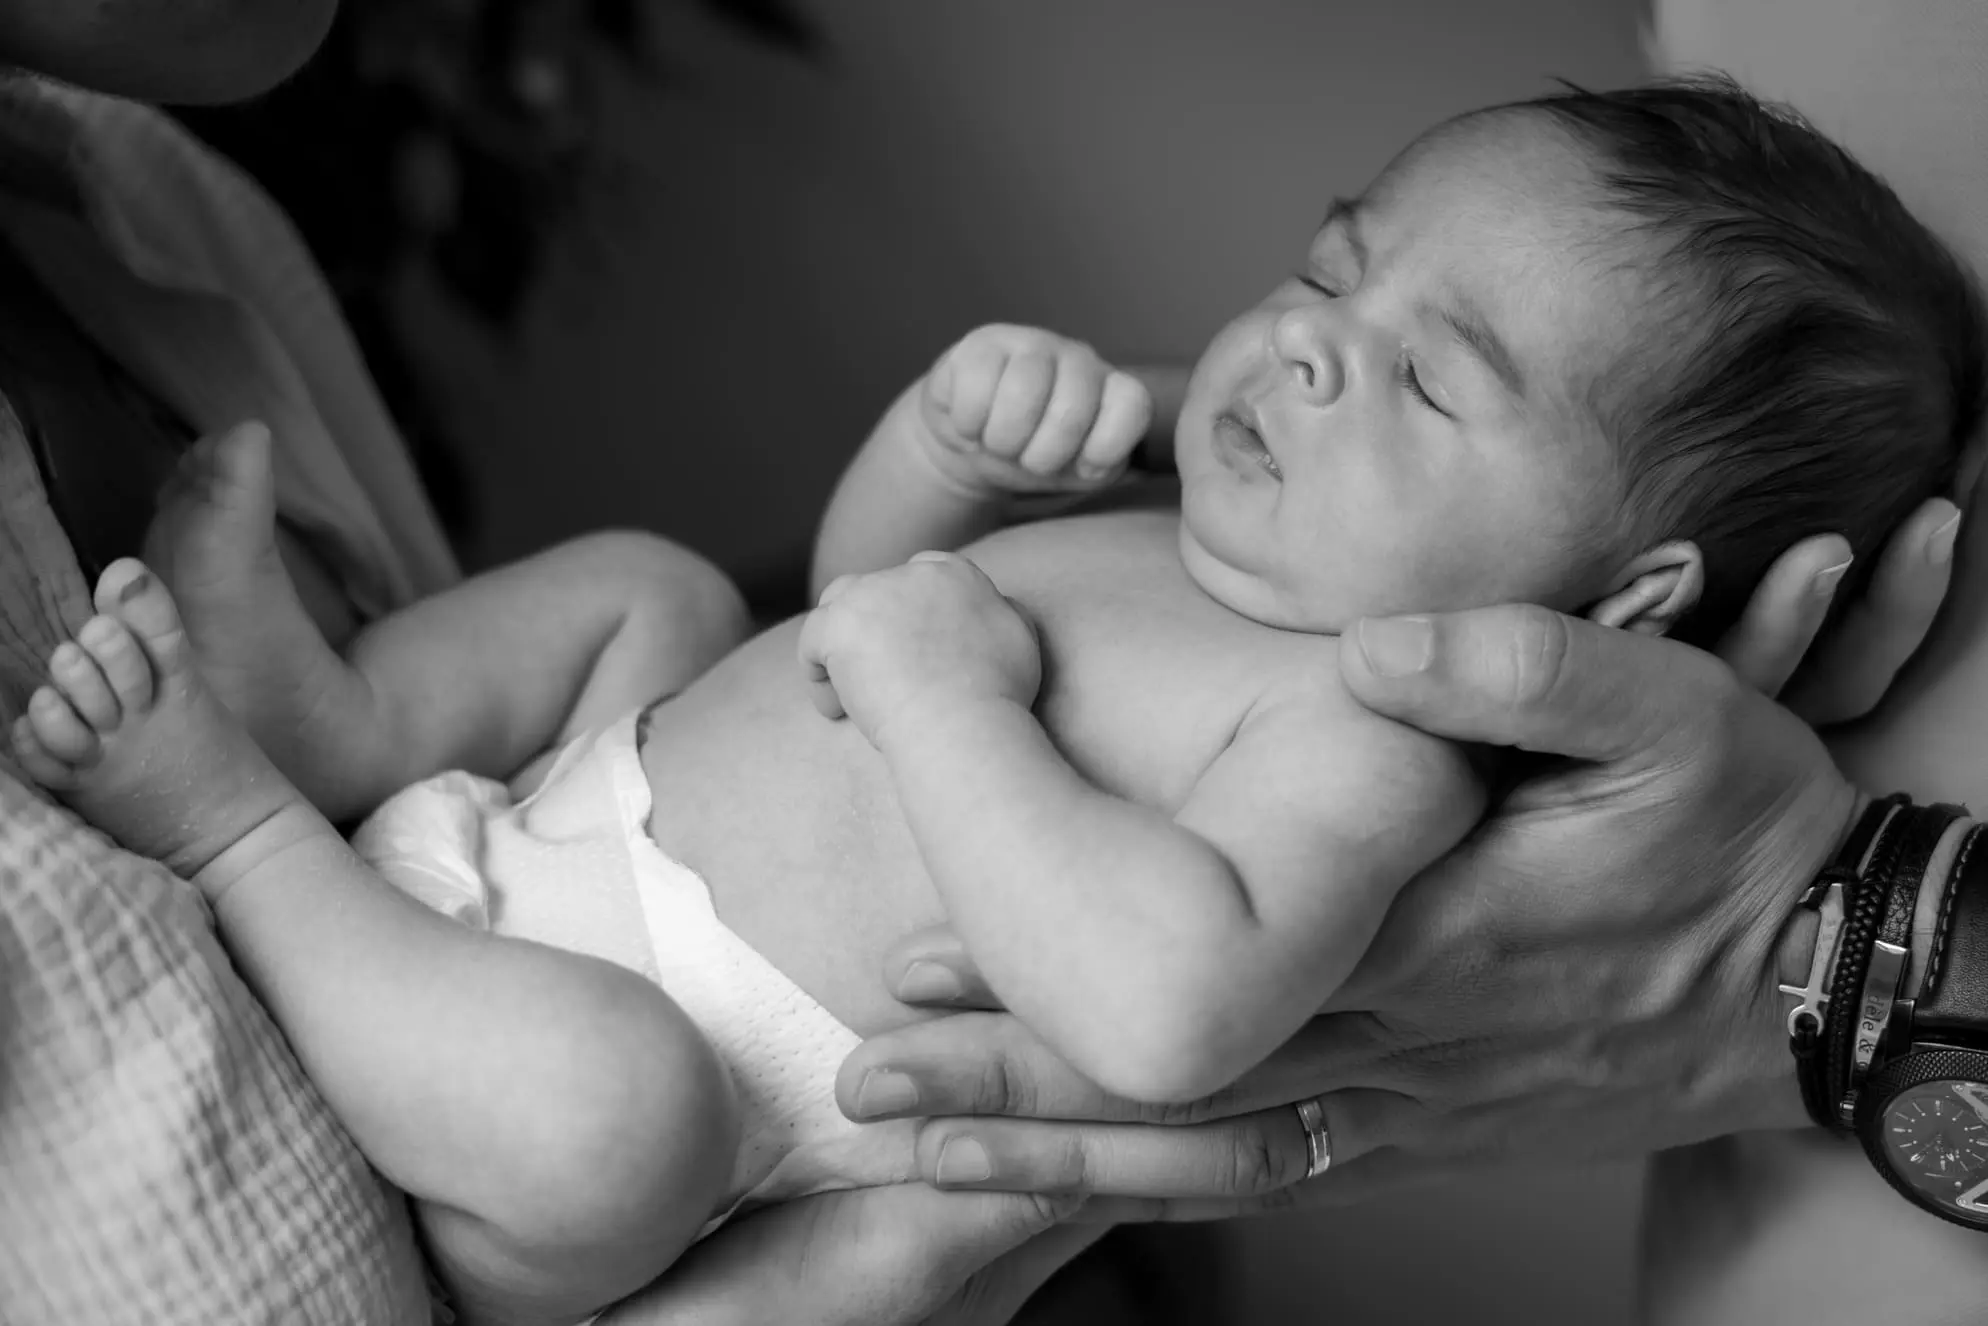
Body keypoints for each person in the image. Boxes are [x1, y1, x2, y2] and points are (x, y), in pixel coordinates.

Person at [16, 76, 1982, 1325]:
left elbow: (1164, 1010)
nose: (1306, 346)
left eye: (1427, 375)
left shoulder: (1368, 735)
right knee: (661, 591)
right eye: (1333, 272)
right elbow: (850, 612)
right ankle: (344, 727)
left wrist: (943, 699)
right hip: (543, 832)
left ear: (1624, 604)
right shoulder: (1186, 531)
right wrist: (944, 458)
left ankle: (239, 827)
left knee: (616, 1113)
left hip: (593, 1097)